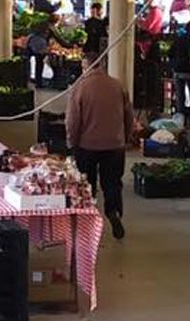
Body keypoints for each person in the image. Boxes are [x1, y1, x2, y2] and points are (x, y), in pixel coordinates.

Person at [66, 52, 133, 239]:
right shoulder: (118, 85)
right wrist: (126, 137)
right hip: (114, 144)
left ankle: (89, 219)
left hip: (87, 145)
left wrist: (72, 142)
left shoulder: (79, 88)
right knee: (112, 182)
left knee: (87, 183)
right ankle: (113, 211)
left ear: (85, 67)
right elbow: (129, 115)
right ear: (102, 65)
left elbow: (72, 120)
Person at [169, 20, 190, 120]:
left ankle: (180, 118)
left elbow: (170, 53)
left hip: (178, 70)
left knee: (180, 96)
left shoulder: (178, 40)